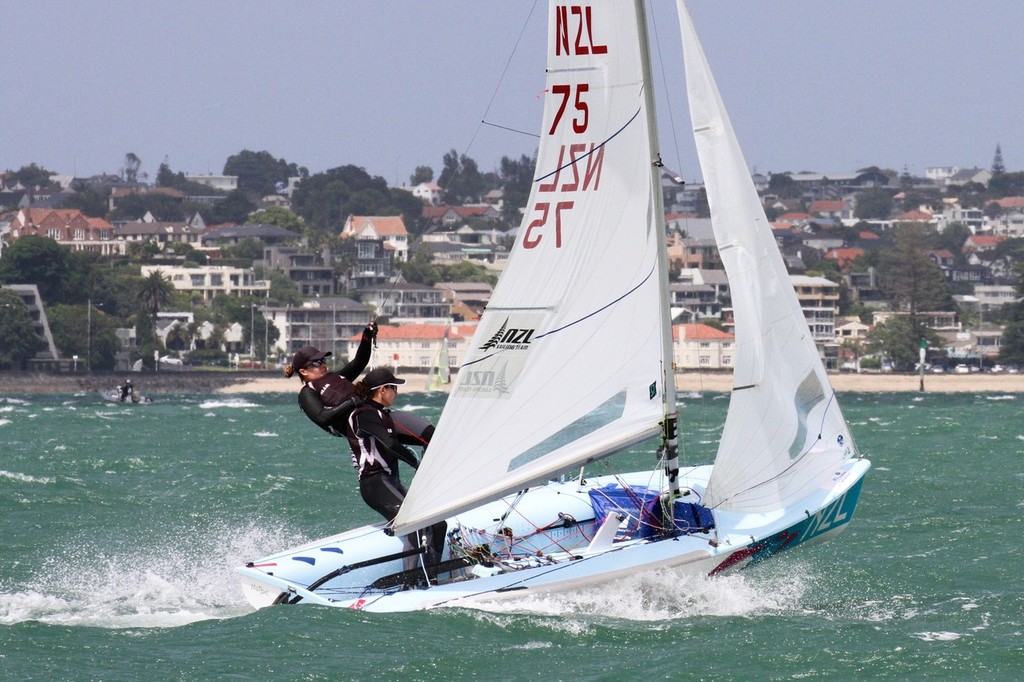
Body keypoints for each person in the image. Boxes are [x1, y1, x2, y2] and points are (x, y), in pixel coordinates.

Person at [347, 366, 447, 583]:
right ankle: (410, 583)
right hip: (375, 485)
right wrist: (416, 462)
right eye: (394, 388)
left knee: (439, 524)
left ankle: (432, 577)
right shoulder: (364, 415)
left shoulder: (384, 416)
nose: (397, 393)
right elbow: (390, 443)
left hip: (392, 482)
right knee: (411, 525)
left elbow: (422, 437)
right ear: (382, 390)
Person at [284, 322, 378, 436]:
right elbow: (322, 417)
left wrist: (366, 336)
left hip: (374, 415)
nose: (323, 365)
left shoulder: (335, 377)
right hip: (358, 426)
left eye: (323, 361)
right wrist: (353, 401)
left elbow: (359, 362)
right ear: (303, 371)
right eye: (317, 363)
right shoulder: (307, 392)